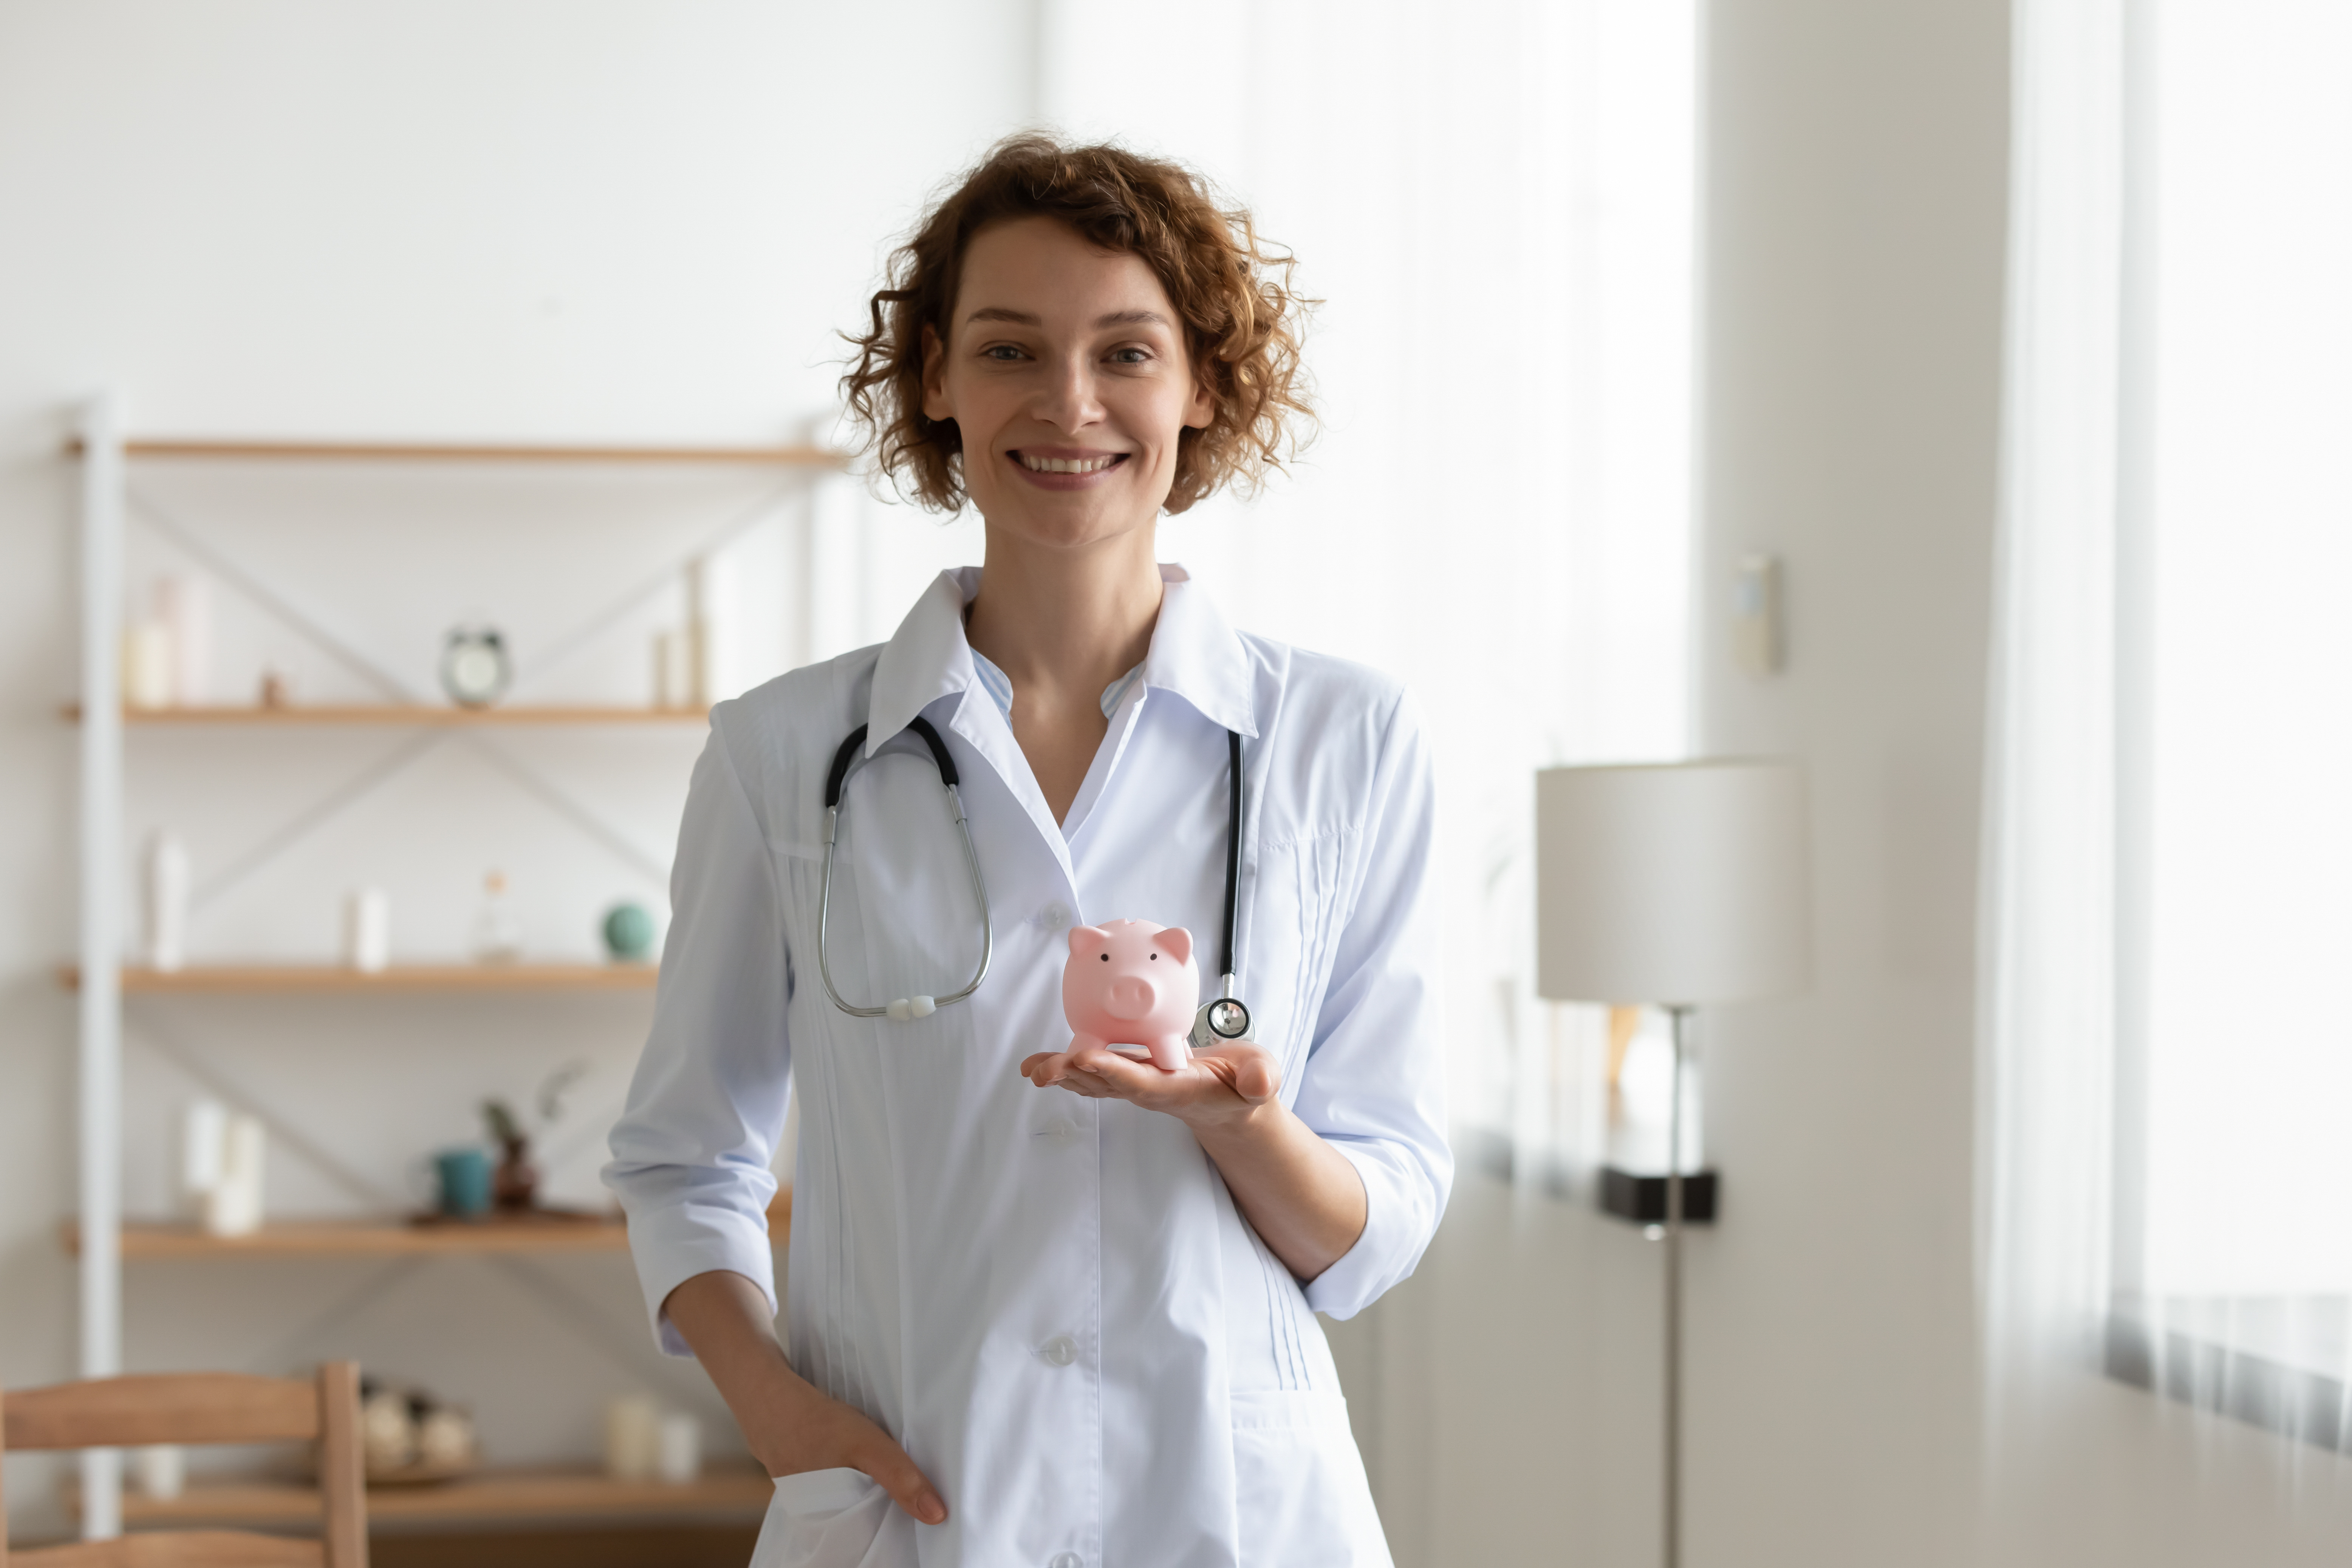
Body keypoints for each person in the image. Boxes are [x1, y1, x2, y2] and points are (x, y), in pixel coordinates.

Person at [604, 135, 1449, 1568]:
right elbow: (687, 1160)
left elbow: (1378, 1221)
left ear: (1201, 385)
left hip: (1237, 1515)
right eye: (1010, 349)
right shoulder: (785, 753)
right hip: (911, 1504)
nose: (1071, 404)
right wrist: (781, 1419)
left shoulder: (1343, 743)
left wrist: (1243, 1126)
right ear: (935, 377)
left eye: (1128, 351)